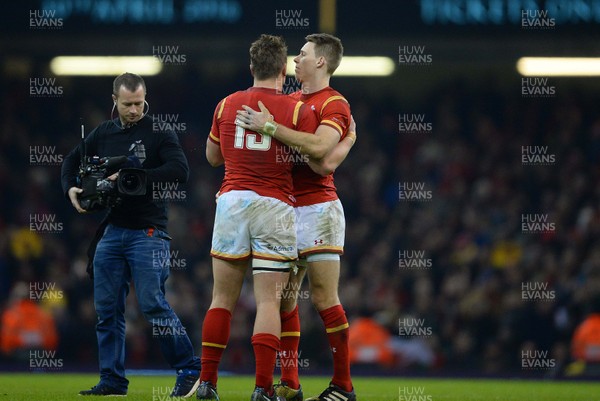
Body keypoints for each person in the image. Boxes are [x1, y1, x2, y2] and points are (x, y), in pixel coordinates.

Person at [60, 72, 201, 397]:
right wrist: (71, 189)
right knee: (106, 309)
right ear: (115, 101)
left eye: (139, 103)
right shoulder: (103, 133)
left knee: (152, 302)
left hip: (149, 231)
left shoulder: (158, 131)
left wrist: (134, 174)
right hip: (113, 229)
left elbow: (180, 171)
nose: (135, 109)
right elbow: (70, 161)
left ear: (145, 98)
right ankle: (112, 379)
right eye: (128, 104)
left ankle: (189, 367)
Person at [197, 34, 320, 401]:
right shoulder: (295, 108)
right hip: (275, 205)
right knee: (269, 303)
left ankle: (207, 384)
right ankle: (262, 388)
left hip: (233, 201)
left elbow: (211, 158)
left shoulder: (226, 104)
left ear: (251, 68)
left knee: (221, 299)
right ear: (285, 70)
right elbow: (312, 159)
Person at [236, 33, 357, 401]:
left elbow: (321, 153)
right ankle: (290, 382)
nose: (294, 60)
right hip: (285, 207)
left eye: (302, 54)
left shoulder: (335, 103)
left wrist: (273, 129)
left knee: (322, 297)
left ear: (321, 61)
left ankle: (343, 385)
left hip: (318, 210)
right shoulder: (290, 101)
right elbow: (319, 157)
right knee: (286, 299)